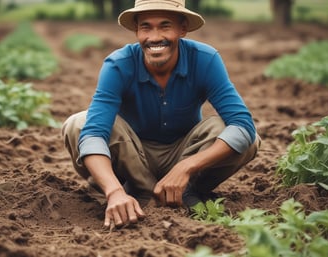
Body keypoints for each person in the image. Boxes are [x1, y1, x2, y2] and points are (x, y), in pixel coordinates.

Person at [62, 0, 260, 228]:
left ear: (182, 29)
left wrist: (186, 167)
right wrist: (113, 191)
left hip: (183, 152)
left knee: (245, 137)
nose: (154, 37)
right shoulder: (118, 65)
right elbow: (93, 133)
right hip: (131, 154)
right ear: (136, 30)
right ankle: (133, 192)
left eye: (165, 26)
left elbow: (243, 124)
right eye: (146, 27)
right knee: (78, 124)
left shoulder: (205, 59)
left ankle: (188, 191)